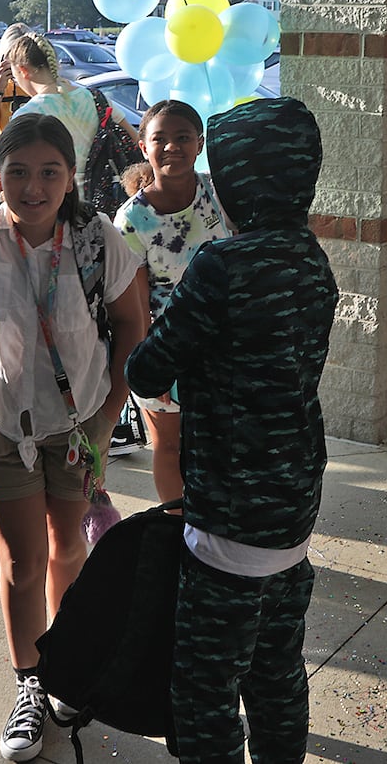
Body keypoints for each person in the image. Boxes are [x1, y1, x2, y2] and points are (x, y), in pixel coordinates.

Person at [126, 96, 337, 764]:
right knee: (278, 668)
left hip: (229, 517)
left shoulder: (222, 267)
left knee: (207, 685)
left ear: (241, 178)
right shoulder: (310, 257)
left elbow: (148, 366)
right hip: (294, 505)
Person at [0, 112, 146, 762]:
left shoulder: (93, 237)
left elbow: (131, 328)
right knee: (22, 563)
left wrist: (109, 414)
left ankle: (65, 667)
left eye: (49, 172)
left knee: (68, 552)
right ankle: (29, 684)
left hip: (80, 425)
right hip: (1, 431)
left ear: (70, 177)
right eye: (18, 171)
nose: (33, 186)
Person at [112, 100, 232, 504]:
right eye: (159, 139)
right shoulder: (132, 220)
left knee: (218, 445)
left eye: (182, 138)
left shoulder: (218, 192)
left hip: (225, 346)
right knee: (169, 447)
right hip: (168, 349)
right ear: (143, 147)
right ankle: (175, 529)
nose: (171, 147)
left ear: (199, 144)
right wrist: (156, 367)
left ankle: (216, 529)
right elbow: (135, 307)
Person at [0, 25, 138, 212]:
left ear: (23, 71)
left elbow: (11, 170)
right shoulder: (93, 97)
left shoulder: (29, 113)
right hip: (100, 206)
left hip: (53, 208)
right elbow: (133, 138)